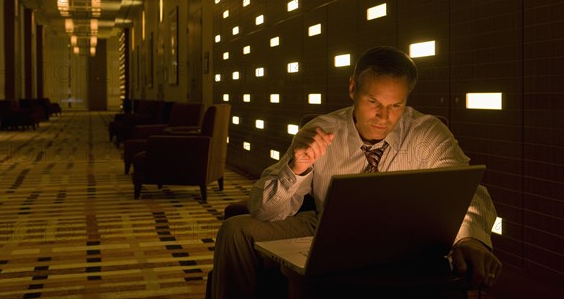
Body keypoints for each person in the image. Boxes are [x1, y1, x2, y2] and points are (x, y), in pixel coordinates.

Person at [210, 46, 502, 298]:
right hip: (325, 227)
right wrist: (296, 168)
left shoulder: (427, 132)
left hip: (404, 237)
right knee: (236, 231)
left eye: (396, 105)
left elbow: (465, 192)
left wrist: (469, 239)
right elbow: (264, 211)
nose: (383, 117)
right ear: (353, 89)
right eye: (373, 102)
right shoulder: (321, 131)